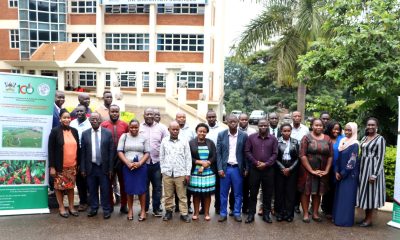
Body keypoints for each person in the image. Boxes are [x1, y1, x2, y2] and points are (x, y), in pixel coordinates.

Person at [298, 118, 333, 223]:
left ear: (323, 127)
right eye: (316, 125)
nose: (318, 127)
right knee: (306, 191)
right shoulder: (306, 137)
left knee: (318, 192)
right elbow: (302, 155)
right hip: (307, 170)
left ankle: (315, 213)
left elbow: (330, 156)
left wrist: (326, 170)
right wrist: (311, 170)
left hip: (322, 171)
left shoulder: (327, 138)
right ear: (312, 126)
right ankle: (305, 214)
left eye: (320, 125)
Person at [80, 113, 114, 219]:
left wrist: (110, 168)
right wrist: (83, 168)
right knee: (92, 189)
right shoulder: (85, 134)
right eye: (92, 119)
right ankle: (94, 208)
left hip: (103, 167)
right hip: (91, 167)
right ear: (89, 121)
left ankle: (106, 209)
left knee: (105, 189)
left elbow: (111, 152)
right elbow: (83, 153)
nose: (94, 121)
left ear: (100, 121)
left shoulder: (107, 133)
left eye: (96, 119)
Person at [245, 119, 278, 224]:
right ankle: (251, 215)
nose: (263, 127)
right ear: (257, 126)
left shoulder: (273, 139)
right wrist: (256, 162)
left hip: (268, 170)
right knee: (253, 193)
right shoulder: (251, 138)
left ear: (268, 125)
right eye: (261, 125)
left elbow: (275, 153)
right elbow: (247, 151)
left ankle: (266, 215)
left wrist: (266, 164)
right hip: (255, 169)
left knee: (267, 193)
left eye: (265, 125)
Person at [48, 109, 80, 218]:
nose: (67, 119)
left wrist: (78, 164)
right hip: (59, 167)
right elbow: (51, 150)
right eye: (64, 117)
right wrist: (52, 167)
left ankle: (71, 207)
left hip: (72, 166)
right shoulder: (55, 131)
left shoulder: (74, 131)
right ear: (60, 119)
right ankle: (61, 207)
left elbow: (78, 149)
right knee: (59, 188)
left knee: (70, 188)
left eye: (68, 117)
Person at [217, 115, 248, 222]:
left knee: (238, 193)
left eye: (235, 121)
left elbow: (246, 153)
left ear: (238, 122)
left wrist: (246, 168)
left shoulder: (244, 135)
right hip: (225, 168)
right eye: (230, 121)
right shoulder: (221, 135)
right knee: (223, 193)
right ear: (227, 122)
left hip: (237, 169)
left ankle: (237, 213)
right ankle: (223, 213)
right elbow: (219, 154)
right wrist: (220, 168)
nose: (233, 123)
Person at [117, 120, 150, 221]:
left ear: (139, 127)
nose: (134, 129)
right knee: (129, 190)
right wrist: (127, 163)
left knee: (142, 190)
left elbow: (147, 152)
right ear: (129, 127)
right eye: (132, 127)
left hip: (141, 167)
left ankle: (143, 211)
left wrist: (140, 163)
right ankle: (130, 210)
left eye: (136, 127)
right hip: (128, 167)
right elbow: (119, 151)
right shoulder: (124, 136)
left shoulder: (143, 138)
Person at [356, 117, 386, 227]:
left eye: (373, 125)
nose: (370, 127)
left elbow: (381, 157)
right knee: (365, 193)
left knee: (371, 194)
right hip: (363, 169)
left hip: (372, 170)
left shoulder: (380, 139)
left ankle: (369, 219)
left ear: (377, 126)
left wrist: (374, 174)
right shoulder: (364, 138)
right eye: (369, 125)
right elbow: (360, 153)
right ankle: (365, 217)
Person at [160, 121, 192, 223]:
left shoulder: (184, 141)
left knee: (182, 195)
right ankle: (168, 212)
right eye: (173, 129)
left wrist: (187, 173)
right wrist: (163, 170)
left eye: (177, 129)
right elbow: (161, 156)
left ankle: (184, 213)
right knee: (168, 195)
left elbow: (188, 158)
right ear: (169, 130)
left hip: (181, 173)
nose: (175, 131)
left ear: (179, 130)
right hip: (167, 173)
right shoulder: (164, 141)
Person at [139, 108, 168, 217]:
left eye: (151, 114)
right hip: (143, 163)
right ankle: (145, 208)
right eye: (147, 114)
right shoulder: (140, 127)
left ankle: (156, 208)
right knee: (144, 186)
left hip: (157, 163)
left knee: (157, 187)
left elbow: (166, 145)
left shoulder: (162, 128)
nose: (149, 116)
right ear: (144, 115)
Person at [100, 104, 129, 214]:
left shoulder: (125, 125)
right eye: (112, 111)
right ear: (109, 112)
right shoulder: (104, 125)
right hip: (108, 159)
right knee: (109, 183)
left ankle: (123, 205)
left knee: (123, 183)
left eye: (116, 111)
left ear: (119, 112)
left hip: (122, 159)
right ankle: (110, 205)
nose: (114, 113)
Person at [188, 123, 217, 221]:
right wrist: (199, 162)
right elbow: (188, 157)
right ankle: (196, 213)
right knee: (196, 194)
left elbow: (214, 155)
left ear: (207, 132)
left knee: (207, 194)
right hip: (195, 172)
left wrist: (208, 162)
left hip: (208, 172)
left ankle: (207, 213)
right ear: (196, 131)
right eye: (200, 131)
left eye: (204, 131)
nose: (202, 133)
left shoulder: (210, 142)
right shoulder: (191, 143)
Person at [333, 122, 359, 227]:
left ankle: (345, 221)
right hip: (340, 174)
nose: (347, 132)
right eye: (346, 130)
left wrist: (342, 173)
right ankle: (338, 219)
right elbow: (338, 158)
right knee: (340, 198)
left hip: (349, 176)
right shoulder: (343, 141)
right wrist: (336, 171)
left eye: (350, 130)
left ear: (354, 131)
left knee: (346, 198)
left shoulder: (355, 144)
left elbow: (352, 162)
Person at [274, 123, 299, 222]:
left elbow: (298, 158)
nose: (286, 133)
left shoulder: (295, 142)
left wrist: (290, 169)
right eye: (284, 131)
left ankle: (289, 214)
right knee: (279, 193)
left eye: (288, 131)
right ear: (281, 131)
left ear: (291, 131)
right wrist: (282, 168)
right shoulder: (276, 141)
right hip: (279, 170)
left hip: (292, 171)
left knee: (290, 193)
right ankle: (279, 213)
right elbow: (274, 157)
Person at [70, 104, 91, 212]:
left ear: (86, 112)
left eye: (81, 111)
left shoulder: (90, 123)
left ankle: (91, 200)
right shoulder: (72, 123)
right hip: (75, 152)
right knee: (79, 178)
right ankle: (83, 201)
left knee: (88, 177)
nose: (79, 113)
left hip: (87, 152)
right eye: (77, 111)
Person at [321, 121, 343, 218]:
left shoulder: (343, 139)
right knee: (326, 188)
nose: (336, 131)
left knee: (335, 189)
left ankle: (334, 209)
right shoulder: (325, 138)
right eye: (334, 129)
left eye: (338, 129)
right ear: (330, 129)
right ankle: (326, 209)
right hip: (326, 167)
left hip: (338, 168)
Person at [205, 110, 226, 214]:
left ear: (216, 117)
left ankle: (218, 206)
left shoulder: (222, 129)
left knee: (218, 185)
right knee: (204, 184)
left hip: (217, 161)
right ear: (206, 118)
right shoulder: (203, 128)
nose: (211, 119)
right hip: (205, 161)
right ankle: (203, 207)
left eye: (213, 117)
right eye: (209, 117)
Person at [175, 112, 196, 214]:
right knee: (175, 185)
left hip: (187, 161)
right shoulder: (171, 129)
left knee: (186, 185)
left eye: (183, 117)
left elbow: (195, 144)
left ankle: (188, 205)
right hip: (175, 162)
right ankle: (177, 205)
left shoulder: (191, 130)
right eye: (179, 117)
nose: (181, 119)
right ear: (176, 118)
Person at [290, 111, 309, 214]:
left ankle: (297, 205)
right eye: (295, 116)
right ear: (292, 117)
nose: (297, 118)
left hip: (301, 158)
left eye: (299, 116)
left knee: (299, 182)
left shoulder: (305, 129)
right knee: (291, 182)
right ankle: (290, 203)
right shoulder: (287, 128)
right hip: (289, 159)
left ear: (301, 118)